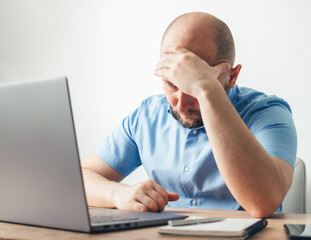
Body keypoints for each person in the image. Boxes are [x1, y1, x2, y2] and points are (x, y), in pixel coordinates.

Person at [81, 12, 297, 218]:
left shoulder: (267, 112)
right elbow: (79, 178)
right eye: (171, 84)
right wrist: (117, 194)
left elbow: (264, 203)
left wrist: (207, 90)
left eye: (193, 87)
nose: (182, 105)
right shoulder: (147, 117)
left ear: (232, 76)